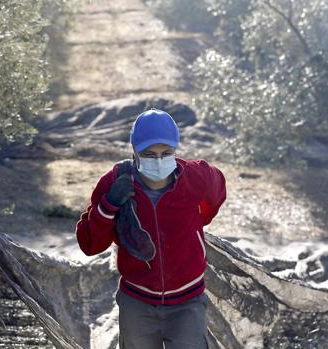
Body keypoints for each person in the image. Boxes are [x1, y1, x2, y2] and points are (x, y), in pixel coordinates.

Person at [75, 109, 226, 349]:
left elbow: (216, 194)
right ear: (134, 150)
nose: (158, 160)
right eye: (149, 154)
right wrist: (109, 206)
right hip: (137, 302)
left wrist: (197, 220)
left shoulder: (197, 176)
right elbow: (89, 245)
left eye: (166, 153)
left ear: (176, 150)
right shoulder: (114, 182)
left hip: (188, 301)